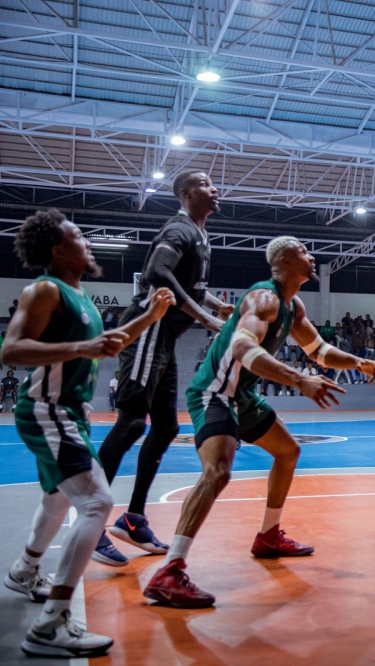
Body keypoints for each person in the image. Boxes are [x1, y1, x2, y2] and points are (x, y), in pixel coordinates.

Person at [142, 236, 375, 608]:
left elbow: (319, 351)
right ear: (283, 261)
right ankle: (169, 570)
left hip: (244, 395)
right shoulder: (263, 298)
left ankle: (268, 536)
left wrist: (357, 362)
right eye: (303, 251)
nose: (312, 256)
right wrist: (299, 380)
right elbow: (241, 347)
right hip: (215, 391)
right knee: (218, 472)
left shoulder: (293, 306)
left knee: (288, 452)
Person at [3, 209, 174, 657]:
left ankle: (25, 570)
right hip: (48, 410)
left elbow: (109, 343)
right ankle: (51, 625)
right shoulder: (45, 290)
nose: (88, 241)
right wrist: (82, 346)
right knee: (97, 502)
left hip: (68, 413)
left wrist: (150, 316)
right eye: (79, 236)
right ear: (58, 250)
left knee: (58, 499)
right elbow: (11, 350)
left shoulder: (81, 297)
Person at [93, 171, 234, 567]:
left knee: (167, 426)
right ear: (186, 193)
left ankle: (133, 520)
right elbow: (158, 273)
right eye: (205, 184)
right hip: (149, 326)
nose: (214, 188)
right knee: (131, 423)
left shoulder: (200, 235)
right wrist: (205, 318)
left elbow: (191, 284)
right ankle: (91, 524)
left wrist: (215, 305)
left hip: (166, 335)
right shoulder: (179, 229)